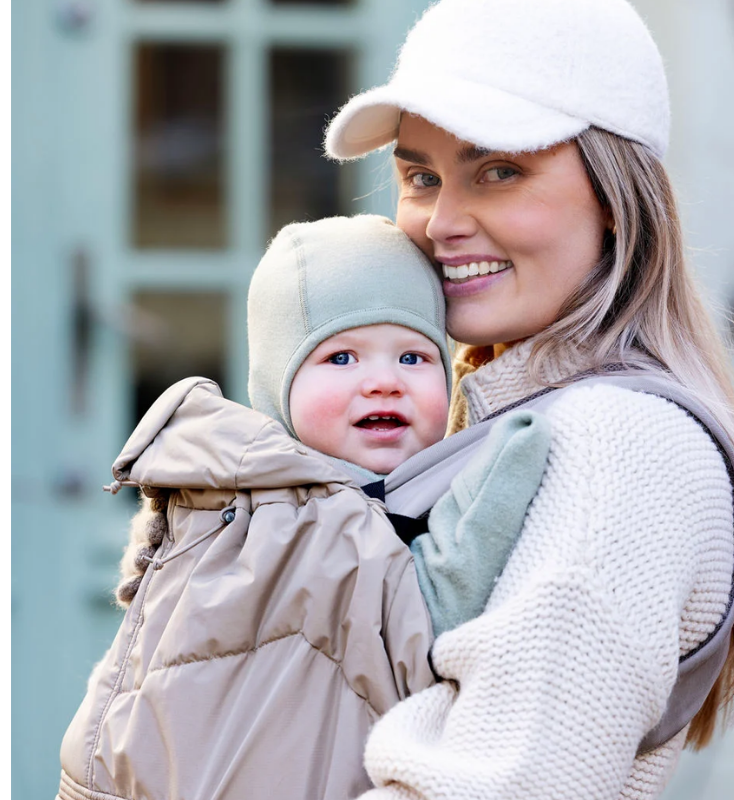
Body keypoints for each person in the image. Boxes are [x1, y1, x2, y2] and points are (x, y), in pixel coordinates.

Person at [323, 0, 734, 798]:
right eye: (421, 177)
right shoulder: (504, 415)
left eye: (499, 171)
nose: (442, 221)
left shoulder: (622, 445)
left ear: (615, 195)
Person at [57, 214, 550, 800]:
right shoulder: (278, 515)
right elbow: (415, 635)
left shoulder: (391, 498)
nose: (384, 382)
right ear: (277, 386)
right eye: (341, 358)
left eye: (414, 358)